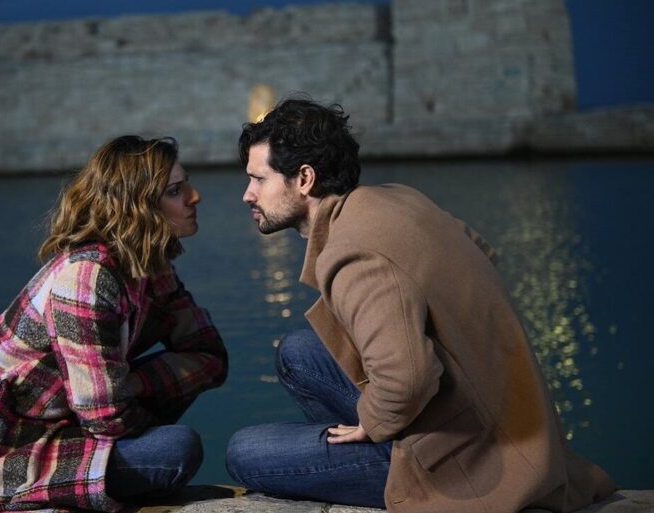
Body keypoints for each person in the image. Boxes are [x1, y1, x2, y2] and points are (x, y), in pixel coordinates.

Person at [225, 98, 615, 512]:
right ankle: (359, 455)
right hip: (504, 421)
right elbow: (483, 252)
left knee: (245, 451)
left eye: (259, 179)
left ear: (304, 178)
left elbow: (409, 380)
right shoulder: (399, 199)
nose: (248, 195)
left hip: (467, 463)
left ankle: (387, 469)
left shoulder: (354, 253)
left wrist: (373, 422)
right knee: (299, 353)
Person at [0, 135, 228, 513]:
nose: (194, 196)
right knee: (176, 449)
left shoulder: (149, 266)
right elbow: (106, 419)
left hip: (70, 426)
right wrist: (125, 400)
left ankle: (106, 474)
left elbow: (210, 355)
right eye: (174, 190)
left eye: (186, 184)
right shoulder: (87, 277)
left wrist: (130, 385)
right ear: (136, 206)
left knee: (168, 440)